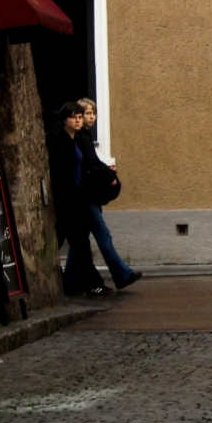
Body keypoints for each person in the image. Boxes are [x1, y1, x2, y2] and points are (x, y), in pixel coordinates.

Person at [67, 98, 142, 291]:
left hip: (84, 194)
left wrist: (106, 169)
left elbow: (91, 162)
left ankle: (71, 279)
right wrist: (110, 175)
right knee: (102, 234)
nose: (90, 117)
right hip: (86, 195)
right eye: (86, 114)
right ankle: (122, 274)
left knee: (81, 237)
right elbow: (90, 163)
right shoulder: (81, 137)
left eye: (93, 113)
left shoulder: (83, 136)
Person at [47, 102, 111, 296]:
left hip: (75, 197)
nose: (78, 120)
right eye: (74, 117)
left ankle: (75, 283)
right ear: (65, 119)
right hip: (67, 199)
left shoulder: (74, 138)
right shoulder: (60, 140)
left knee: (77, 243)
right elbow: (60, 172)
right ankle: (90, 284)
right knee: (78, 243)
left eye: (80, 116)